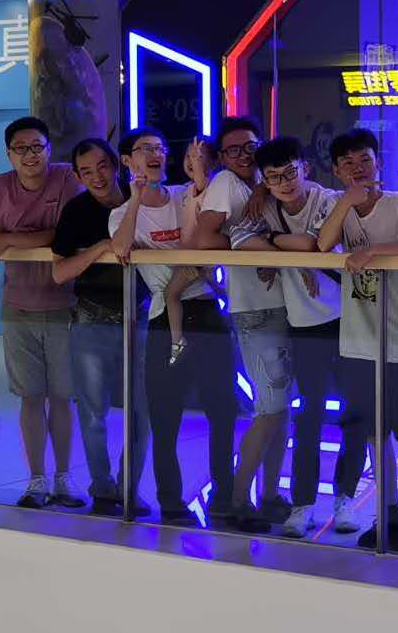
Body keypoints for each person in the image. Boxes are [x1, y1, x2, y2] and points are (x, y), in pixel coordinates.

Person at [230, 136, 364, 538]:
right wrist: (292, 256)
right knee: (308, 417)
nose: (284, 183)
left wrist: (280, 245)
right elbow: (238, 239)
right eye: (273, 177)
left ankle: (344, 498)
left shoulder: (328, 199)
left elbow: (319, 243)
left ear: (305, 167)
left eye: (290, 172)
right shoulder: (266, 206)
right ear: (265, 181)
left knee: (355, 414)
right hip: (304, 326)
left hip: (349, 320)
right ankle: (302, 503)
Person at [313, 128, 398, 552]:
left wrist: (374, 253)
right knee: (374, 433)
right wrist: (346, 201)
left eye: (364, 160)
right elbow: (323, 245)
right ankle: (387, 512)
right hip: (356, 341)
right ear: (336, 170)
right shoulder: (338, 205)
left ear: (378, 162)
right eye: (347, 163)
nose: (358, 169)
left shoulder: (397, 203)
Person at [109, 127, 238, 525]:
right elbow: (121, 248)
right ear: (127, 160)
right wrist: (135, 198)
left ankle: (225, 497)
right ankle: (170, 501)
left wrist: (199, 171)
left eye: (160, 147)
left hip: (208, 309)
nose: (154, 154)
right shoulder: (121, 213)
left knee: (223, 411)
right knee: (165, 418)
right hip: (164, 319)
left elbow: (214, 221)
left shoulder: (185, 195)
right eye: (144, 149)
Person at [0, 116, 84, 509]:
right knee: (30, 397)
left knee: (62, 397)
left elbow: (67, 233)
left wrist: (5, 240)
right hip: (18, 307)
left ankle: (63, 479)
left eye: (37, 147)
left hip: (66, 306)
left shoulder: (66, 179)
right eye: (21, 149)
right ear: (9, 154)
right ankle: (36, 480)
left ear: (49, 149)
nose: (30, 155)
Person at [193, 117, 292, 533]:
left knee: (280, 410)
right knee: (269, 410)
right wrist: (254, 247)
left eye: (250, 146)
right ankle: (237, 499)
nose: (243, 155)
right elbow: (204, 240)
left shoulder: (265, 183)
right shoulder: (225, 184)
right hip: (256, 310)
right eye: (233, 150)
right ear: (221, 157)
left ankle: (269, 495)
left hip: (285, 306)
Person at [50, 137, 151, 516]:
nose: (97, 176)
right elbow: (60, 272)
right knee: (93, 412)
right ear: (77, 177)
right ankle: (103, 488)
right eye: (86, 171)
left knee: (141, 411)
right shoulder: (76, 211)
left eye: (102, 166)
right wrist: (100, 248)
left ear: (116, 164)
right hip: (92, 319)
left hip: (141, 317)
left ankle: (129, 489)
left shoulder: (143, 198)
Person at [162, 137, 218, 366]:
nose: (191, 161)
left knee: (171, 294)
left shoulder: (208, 186)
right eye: (188, 156)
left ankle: (177, 340)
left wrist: (197, 164)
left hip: (196, 254)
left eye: (198, 157)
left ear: (212, 163)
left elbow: (201, 180)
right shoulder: (187, 189)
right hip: (190, 254)